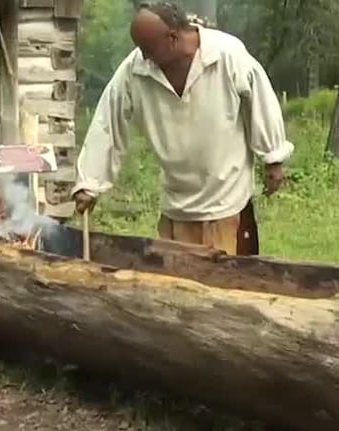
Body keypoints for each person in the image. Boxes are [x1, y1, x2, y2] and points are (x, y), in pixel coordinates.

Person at [70, 2, 293, 256]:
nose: (143, 56)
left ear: (173, 38)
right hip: (176, 203)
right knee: (176, 284)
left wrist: (273, 157)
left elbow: (261, 101)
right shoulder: (135, 70)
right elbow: (107, 121)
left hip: (226, 199)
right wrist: (90, 183)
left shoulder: (227, 55)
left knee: (227, 283)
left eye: (148, 49)